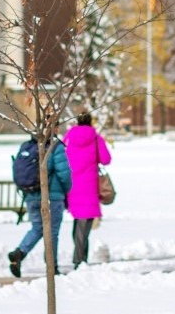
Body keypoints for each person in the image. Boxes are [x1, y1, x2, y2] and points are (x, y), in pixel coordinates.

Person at [8, 135, 71, 277]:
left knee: (37, 228)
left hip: (30, 196)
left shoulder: (27, 146)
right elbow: (64, 174)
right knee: (52, 231)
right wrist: (66, 191)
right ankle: (52, 266)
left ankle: (20, 252)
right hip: (52, 197)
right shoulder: (55, 146)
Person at [64, 111, 112, 269]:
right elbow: (106, 159)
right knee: (84, 226)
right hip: (90, 187)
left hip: (71, 186)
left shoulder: (68, 138)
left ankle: (80, 260)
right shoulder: (96, 138)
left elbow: (61, 157)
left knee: (79, 222)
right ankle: (79, 262)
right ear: (91, 121)